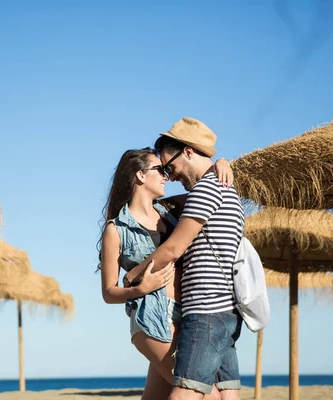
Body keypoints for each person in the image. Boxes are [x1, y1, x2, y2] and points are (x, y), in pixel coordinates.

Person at [123, 117, 245, 400]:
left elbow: (173, 250)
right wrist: (220, 163)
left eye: (171, 166)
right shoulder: (223, 187)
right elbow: (169, 203)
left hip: (205, 311)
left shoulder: (205, 190)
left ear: (188, 151)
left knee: (184, 393)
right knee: (226, 394)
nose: (170, 175)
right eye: (163, 170)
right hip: (225, 311)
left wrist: (133, 275)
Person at [99, 147, 233, 400]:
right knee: (207, 395)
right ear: (140, 175)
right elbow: (108, 292)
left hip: (186, 316)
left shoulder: (171, 211)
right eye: (160, 170)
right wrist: (139, 289)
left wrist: (221, 164)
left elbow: (205, 187)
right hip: (152, 320)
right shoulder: (116, 230)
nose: (167, 176)